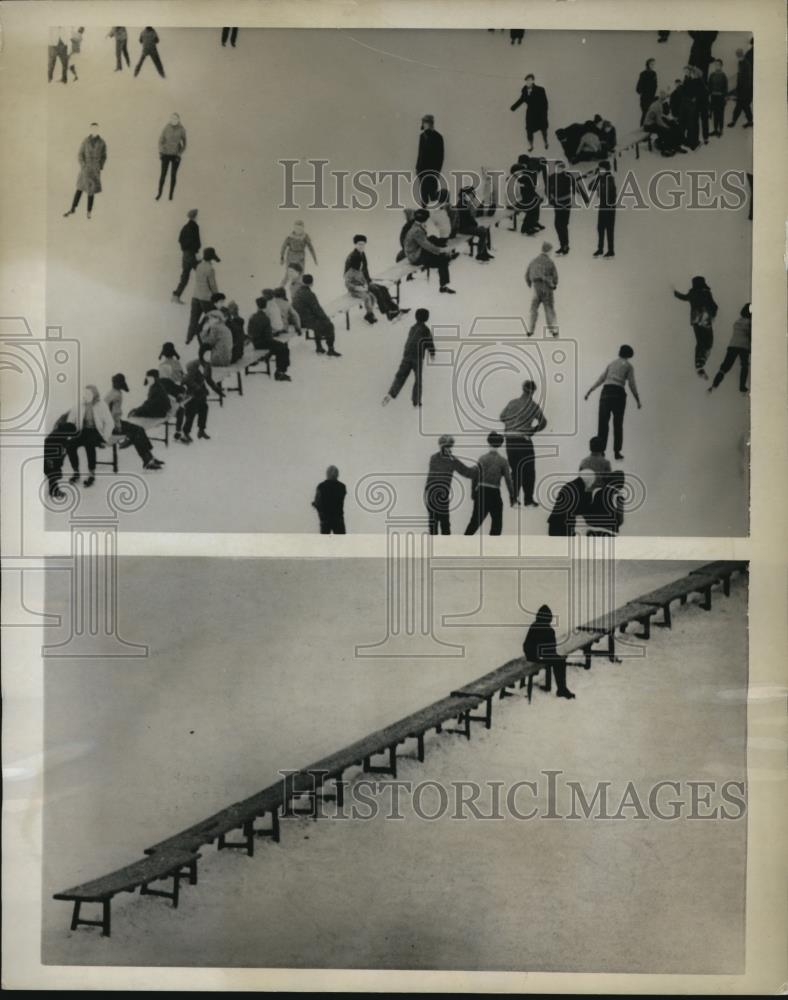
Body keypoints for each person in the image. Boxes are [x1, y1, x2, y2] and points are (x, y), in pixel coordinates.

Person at [584, 344, 642, 461]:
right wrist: (637, 399)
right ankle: (617, 451)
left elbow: (601, 379)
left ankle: (601, 451)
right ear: (629, 355)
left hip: (606, 392)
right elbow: (631, 384)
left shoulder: (611, 364)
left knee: (603, 423)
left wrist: (590, 391)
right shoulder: (629, 366)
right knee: (618, 424)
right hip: (618, 394)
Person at [499, 380, 547, 507]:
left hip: (509, 441)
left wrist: (512, 423)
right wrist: (533, 430)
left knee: (515, 470)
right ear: (533, 391)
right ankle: (528, 500)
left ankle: (514, 500)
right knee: (529, 470)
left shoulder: (512, 403)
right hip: (523, 440)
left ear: (522, 389)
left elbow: (502, 417)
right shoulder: (533, 406)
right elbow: (543, 422)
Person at [104, 374, 164, 470]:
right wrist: (118, 426)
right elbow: (113, 413)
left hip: (110, 423)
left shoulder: (112, 392)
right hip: (112, 426)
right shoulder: (116, 394)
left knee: (138, 429)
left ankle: (149, 458)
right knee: (137, 432)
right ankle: (147, 460)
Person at [63, 385, 116, 488]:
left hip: (96, 432)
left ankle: (91, 474)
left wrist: (105, 437)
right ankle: (76, 472)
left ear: (94, 394)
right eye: (84, 393)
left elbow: (110, 422)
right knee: (70, 446)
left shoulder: (101, 405)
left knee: (89, 444)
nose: (85, 395)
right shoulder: (80, 405)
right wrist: (69, 434)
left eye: (88, 393)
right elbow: (70, 421)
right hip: (82, 431)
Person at [382, 308, 435, 408]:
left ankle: (391, 394)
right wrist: (432, 353)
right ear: (426, 318)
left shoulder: (412, 328)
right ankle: (416, 401)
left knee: (400, 376)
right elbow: (429, 343)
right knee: (418, 379)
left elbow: (409, 341)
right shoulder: (425, 330)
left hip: (407, 356)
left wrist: (406, 353)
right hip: (417, 357)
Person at [464, 432, 515, 536]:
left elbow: (475, 476)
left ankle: (461, 545)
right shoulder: (503, 461)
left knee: (474, 522)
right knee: (497, 524)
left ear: (489, 442)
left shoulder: (482, 458)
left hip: (481, 492)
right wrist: (512, 496)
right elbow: (508, 480)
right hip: (494, 493)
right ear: (500, 444)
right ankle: (493, 548)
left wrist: (473, 492)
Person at [424, 435, 475, 535]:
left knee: (434, 524)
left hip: (430, 494)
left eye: (449, 446)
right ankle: (444, 547)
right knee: (444, 524)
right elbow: (467, 472)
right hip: (440, 495)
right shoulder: (452, 460)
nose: (448, 448)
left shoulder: (434, 458)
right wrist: (478, 469)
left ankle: (434, 547)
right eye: (447, 446)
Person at [523, 605, 575, 699]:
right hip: (536, 655)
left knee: (558, 659)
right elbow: (551, 649)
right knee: (560, 661)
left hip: (531, 654)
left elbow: (527, 646)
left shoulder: (534, 625)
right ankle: (562, 689)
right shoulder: (549, 630)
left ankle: (562, 689)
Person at [343, 236, 402, 319]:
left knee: (383, 288)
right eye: (359, 244)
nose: (361, 246)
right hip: (357, 284)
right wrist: (360, 285)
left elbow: (365, 269)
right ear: (355, 244)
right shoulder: (352, 257)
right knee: (376, 290)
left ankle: (393, 307)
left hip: (364, 281)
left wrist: (369, 280)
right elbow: (348, 275)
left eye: (363, 244)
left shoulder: (362, 253)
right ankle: (387, 312)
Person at [673, 276, 718, 379]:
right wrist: (714, 314)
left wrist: (674, 291)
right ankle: (702, 362)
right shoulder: (706, 292)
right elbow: (714, 306)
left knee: (700, 342)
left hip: (695, 321)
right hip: (705, 319)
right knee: (708, 342)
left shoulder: (692, 294)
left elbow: (682, 297)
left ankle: (699, 363)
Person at [403, 209, 457, 294]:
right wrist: (440, 251)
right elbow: (426, 245)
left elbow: (426, 242)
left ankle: (446, 253)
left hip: (416, 252)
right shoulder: (417, 230)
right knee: (442, 259)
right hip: (415, 257)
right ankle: (443, 286)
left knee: (432, 238)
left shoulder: (416, 226)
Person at [63, 124, 106, 220]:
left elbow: (104, 156)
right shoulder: (85, 141)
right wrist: (83, 165)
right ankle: (73, 208)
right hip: (85, 170)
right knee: (79, 188)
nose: (94, 130)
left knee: (91, 191)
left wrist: (100, 166)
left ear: (98, 130)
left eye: (96, 129)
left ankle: (89, 212)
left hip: (95, 170)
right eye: (92, 129)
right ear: (90, 130)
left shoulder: (102, 143)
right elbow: (80, 154)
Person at [292, 274, 341, 356]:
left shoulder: (297, 292)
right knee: (329, 325)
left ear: (302, 282)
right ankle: (331, 349)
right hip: (305, 321)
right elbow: (317, 309)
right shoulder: (310, 294)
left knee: (318, 322)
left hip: (298, 319)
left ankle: (319, 347)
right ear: (311, 283)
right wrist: (326, 318)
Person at [709, 303, 751, 394]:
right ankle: (742, 387)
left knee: (725, 366)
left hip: (732, 346)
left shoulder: (737, 321)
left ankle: (714, 385)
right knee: (744, 365)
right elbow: (751, 336)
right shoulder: (750, 322)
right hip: (744, 346)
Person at [248, 295, 292, 380]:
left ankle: (279, 369)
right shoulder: (265, 318)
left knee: (280, 346)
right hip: (262, 343)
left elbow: (249, 331)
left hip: (255, 342)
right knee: (283, 348)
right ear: (266, 305)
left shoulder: (253, 316)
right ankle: (280, 372)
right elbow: (268, 337)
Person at [186, 247, 220, 344]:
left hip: (195, 296)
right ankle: (208, 336)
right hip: (206, 298)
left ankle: (188, 338)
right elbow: (213, 285)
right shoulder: (210, 269)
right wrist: (217, 297)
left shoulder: (198, 266)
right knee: (214, 318)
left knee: (193, 320)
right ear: (211, 258)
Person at [546, 471, 595, 537]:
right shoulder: (580, 489)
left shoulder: (571, 485)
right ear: (588, 481)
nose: (591, 485)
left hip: (555, 524)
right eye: (592, 482)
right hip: (563, 527)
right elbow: (581, 510)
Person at [525, 242, 558, 336]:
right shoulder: (550, 262)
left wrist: (530, 284)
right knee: (549, 308)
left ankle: (530, 329)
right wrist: (554, 284)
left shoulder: (534, 261)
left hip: (536, 287)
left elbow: (527, 275)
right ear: (549, 251)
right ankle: (554, 330)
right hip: (547, 287)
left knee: (533, 309)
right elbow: (555, 276)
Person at [510, 74, 549, 152]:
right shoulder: (524, 90)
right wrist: (513, 107)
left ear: (533, 81)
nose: (528, 82)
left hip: (540, 113)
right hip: (530, 114)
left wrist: (544, 113)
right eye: (527, 80)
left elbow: (545, 102)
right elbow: (521, 100)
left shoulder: (540, 89)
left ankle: (546, 142)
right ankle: (531, 146)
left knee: (543, 128)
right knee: (529, 130)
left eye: (530, 80)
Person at [547, 160, 579, 254]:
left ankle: (565, 246)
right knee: (558, 225)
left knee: (563, 224)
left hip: (566, 203)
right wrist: (551, 199)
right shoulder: (551, 177)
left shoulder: (568, 176)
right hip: (557, 204)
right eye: (557, 167)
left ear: (563, 168)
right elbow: (548, 190)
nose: (558, 169)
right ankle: (563, 245)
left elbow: (575, 187)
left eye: (560, 167)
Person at [43, 414, 79, 498]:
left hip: (53, 458)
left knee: (54, 473)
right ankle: (54, 491)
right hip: (48, 458)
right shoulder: (55, 437)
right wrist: (49, 460)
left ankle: (54, 490)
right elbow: (48, 447)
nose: (70, 437)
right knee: (53, 473)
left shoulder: (62, 435)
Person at [456, 186, 494, 261]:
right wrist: (475, 224)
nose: (473, 196)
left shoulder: (465, 202)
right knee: (482, 231)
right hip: (462, 228)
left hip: (466, 226)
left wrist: (475, 223)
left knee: (483, 229)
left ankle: (484, 252)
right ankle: (479, 254)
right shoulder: (462, 204)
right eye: (471, 194)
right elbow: (468, 218)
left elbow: (471, 217)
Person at [158, 342, 187, 440]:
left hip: (166, 391)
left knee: (178, 405)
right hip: (176, 389)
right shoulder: (177, 363)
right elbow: (182, 376)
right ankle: (178, 430)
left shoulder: (161, 365)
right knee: (181, 408)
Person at [415, 114, 445, 206]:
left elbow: (440, 156)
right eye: (425, 122)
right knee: (423, 195)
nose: (426, 125)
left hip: (432, 170)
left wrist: (437, 171)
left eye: (427, 122)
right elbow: (420, 154)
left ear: (431, 124)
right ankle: (424, 215)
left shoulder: (438, 137)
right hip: (422, 171)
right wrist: (417, 167)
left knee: (432, 195)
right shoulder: (422, 136)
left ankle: (444, 195)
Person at [172, 209, 201, 303]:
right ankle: (211, 299)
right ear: (195, 216)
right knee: (203, 272)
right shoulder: (194, 226)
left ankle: (176, 296)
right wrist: (195, 250)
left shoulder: (185, 227)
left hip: (185, 255)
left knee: (185, 276)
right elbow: (196, 241)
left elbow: (180, 239)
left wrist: (185, 249)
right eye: (197, 215)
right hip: (191, 254)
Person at [157, 113, 187, 201]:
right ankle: (159, 194)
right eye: (172, 118)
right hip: (165, 154)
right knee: (163, 175)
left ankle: (170, 195)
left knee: (173, 176)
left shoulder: (182, 130)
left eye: (176, 119)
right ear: (170, 119)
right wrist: (161, 152)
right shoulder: (166, 128)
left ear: (178, 120)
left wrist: (179, 154)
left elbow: (184, 144)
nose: (174, 120)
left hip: (175, 156)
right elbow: (160, 140)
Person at [179, 360, 210, 443]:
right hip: (190, 397)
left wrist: (205, 390)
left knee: (204, 408)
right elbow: (187, 383)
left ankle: (201, 430)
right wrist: (199, 389)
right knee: (191, 413)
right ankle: (185, 433)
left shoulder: (201, 369)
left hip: (198, 396)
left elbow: (202, 382)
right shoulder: (190, 373)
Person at [280, 220, 317, 286]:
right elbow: (284, 247)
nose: (298, 230)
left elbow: (311, 248)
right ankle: (280, 289)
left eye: (300, 228)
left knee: (300, 274)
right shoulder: (290, 237)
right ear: (294, 228)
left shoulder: (305, 236)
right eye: (297, 228)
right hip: (291, 256)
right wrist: (282, 257)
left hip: (301, 257)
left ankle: (297, 289)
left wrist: (315, 258)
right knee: (289, 274)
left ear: (303, 228)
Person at [591, 161, 616, 258]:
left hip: (609, 207)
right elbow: (590, 187)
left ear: (606, 169)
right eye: (599, 168)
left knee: (609, 229)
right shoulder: (601, 178)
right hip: (602, 206)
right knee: (600, 228)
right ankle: (600, 249)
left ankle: (611, 250)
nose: (600, 170)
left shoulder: (609, 178)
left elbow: (608, 193)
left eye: (601, 169)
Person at [312, 466, 347, 534]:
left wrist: (315, 505)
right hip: (338, 518)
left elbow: (318, 503)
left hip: (325, 519)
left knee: (325, 541)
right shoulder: (342, 487)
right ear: (337, 474)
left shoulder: (321, 486)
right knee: (341, 541)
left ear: (327, 474)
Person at [728, 49, 753, 128]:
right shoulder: (740, 63)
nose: (738, 57)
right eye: (738, 56)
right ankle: (748, 121)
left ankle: (735, 122)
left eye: (740, 55)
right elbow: (739, 75)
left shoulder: (746, 64)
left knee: (741, 106)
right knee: (743, 107)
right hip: (741, 88)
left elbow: (747, 78)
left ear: (742, 55)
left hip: (746, 89)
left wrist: (743, 90)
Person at [707, 60, 729, 137]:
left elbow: (726, 88)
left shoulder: (723, 76)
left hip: (721, 98)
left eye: (718, 65)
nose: (717, 66)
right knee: (715, 114)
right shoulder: (712, 75)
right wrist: (709, 96)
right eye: (715, 65)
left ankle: (721, 130)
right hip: (713, 98)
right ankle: (715, 130)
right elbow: (709, 87)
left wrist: (725, 97)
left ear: (721, 65)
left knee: (720, 115)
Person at [636, 59, 658, 126]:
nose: (653, 65)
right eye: (651, 64)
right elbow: (638, 88)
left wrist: (653, 95)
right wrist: (644, 92)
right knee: (645, 113)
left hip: (651, 98)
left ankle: (647, 129)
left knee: (649, 114)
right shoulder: (643, 74)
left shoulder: (654, 73)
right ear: (648, 64)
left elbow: (655, 85)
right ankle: (641, 129)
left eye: (654, 64)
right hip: (645, 98)